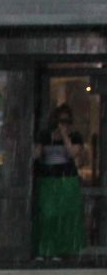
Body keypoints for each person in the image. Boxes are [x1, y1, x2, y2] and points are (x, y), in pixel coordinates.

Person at [32, 104, 86, 262]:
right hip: (48, 179)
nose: (63, 124)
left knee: (64, 215)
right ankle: (44, 249)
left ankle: (60, 249)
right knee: (47, 214)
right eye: (60, 121)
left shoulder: (75, 136)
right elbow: (36, 154)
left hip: (66, 179)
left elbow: (72, 154)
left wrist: (64, 137)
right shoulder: (45, 135)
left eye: (66, 121)